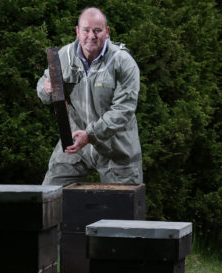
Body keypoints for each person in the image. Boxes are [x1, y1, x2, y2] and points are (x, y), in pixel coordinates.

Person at [37, 7, 143, 186]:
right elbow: (43, 88)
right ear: (78, 32)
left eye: (97, 30)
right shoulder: (64, 56)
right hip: (75, 144)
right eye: (86, 30)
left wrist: (90, 134)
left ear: (107, 32)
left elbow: (124, 110)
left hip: (117, 148)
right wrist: (45, 88)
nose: (91, 36)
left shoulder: (123, 62)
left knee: (123, 208)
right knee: (50, 196)